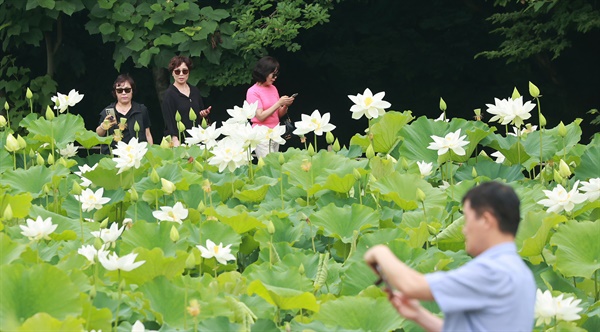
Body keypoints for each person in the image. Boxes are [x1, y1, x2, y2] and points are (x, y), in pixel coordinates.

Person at [364, 181, 536, 332]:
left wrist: (380, 251)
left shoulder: (493, 270)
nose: (464, 229)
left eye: (467, 219)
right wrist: (419, 315)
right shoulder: (521, 273)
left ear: (486, 220)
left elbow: (412, 286)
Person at [246, 56, 295, 158]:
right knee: (268, 165)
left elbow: (278, 114)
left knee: (275, 164)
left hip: (275, 132)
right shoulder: (253, 92)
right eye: (273, 74)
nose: (275, 77)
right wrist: (278, 103)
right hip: (262, 134)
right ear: (264, 72)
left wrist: (285, 105)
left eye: (276, 74)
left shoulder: (273, 88)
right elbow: (260, 116)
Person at [161, 55, 211, 147]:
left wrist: (203, 114)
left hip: (197, 138)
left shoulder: (194, 91)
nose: (181, 74)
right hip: (180, 140)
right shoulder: (169, 94)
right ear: (172, 73)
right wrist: (176, 141)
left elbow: (198, 113)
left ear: (189, 72)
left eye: (184, 71)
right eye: (177, 71)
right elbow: (169, 122)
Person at [96, 74, 153, 154]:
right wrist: (104, 125)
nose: (123, 93)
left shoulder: (141, 110)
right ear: (115, 92)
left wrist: (151, 153)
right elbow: (99, 134)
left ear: (132, 91)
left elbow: (148, 134)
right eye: (119, 90)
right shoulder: (108, 111)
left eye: (127, 90)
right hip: (114, 156)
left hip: (137, 154)